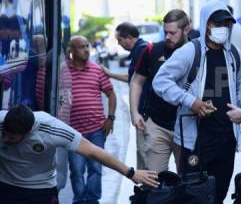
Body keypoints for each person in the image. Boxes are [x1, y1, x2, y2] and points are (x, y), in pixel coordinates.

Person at [152, 0, 241, 204]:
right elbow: (160, 81)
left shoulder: (235, 55)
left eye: (225, 24)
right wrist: (191, 101)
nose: (222, 29)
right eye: (216, 23)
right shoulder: (190, 52)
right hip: (195, 140)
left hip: (226, 139)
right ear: (206, 24)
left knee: (219, 193)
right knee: (193, 195)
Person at [0, 106, 159, 204]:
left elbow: (93, 151)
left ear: (28, 133)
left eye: (12, 138)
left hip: (40, 190)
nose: (5, 140)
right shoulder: (2, 122)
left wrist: (130, 172)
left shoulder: (51, 129)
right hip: (6, 186)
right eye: (4, 135)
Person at [130, 9, 190, 172]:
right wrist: (134, 112)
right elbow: (136, 82)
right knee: (153, 182)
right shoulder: (152, 50)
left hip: (186, 127)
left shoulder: (196, 52)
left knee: (188, 182)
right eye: (165, 32)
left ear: (186, 30)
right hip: (157, 125)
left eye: (172, 33)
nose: (167, 37)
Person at [67, 35, 117, 204]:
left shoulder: (97, 70)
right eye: (81, 47)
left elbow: (111, 94)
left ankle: (92, 200)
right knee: (76, 169)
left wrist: (110, 118)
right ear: (72, 51)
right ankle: (79, 200)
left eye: (87, 46)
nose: (86, 50)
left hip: (96, 129)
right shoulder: (63, 71)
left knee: (95, 168)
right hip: (73, 131)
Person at [103, 22, 150, 170]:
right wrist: (111, 74)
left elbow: (138, 81)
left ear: (129, 38)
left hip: (145, 110)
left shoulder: (142, 50)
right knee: (141, 150)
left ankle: (150, 187)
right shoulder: (139, 50)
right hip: (144, 109)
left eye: (120, 40)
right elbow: (133, 78)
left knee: (145, 151)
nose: (119, 44)